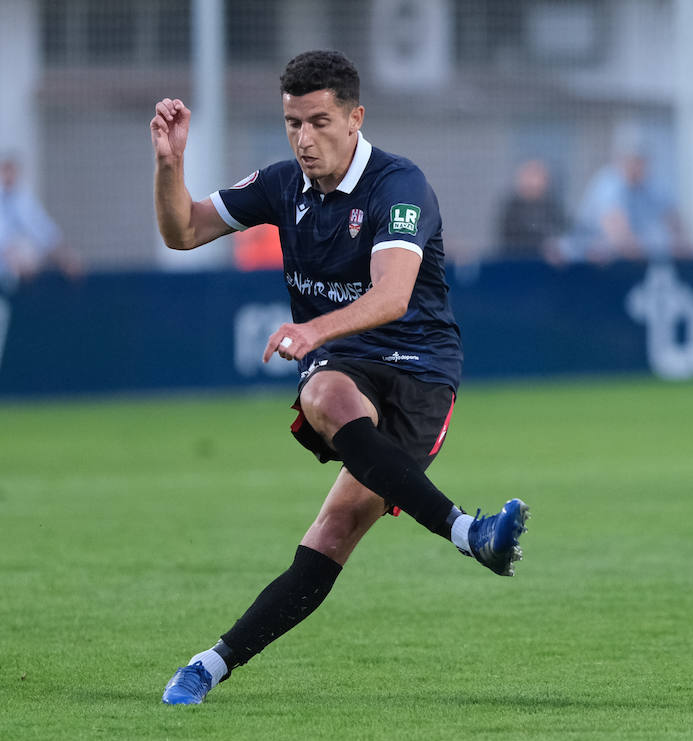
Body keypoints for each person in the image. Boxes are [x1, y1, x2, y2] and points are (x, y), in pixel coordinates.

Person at [150, 50, 529, 706]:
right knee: (322, 391)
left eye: (319, 122)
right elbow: (182, 231)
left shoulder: (399, 186)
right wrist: (170, 165)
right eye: (293, 123)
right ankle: (469, 534)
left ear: (355, 119)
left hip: (420, 368)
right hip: (345, 364)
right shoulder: (281, 185)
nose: (304, 138)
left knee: (334, 531)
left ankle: (214, 660)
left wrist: (313, 331)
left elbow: (393, 296)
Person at [573, 134, 687, 262]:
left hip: (632, 257)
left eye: (641, 161)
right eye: (633, 161)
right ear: (621, 161)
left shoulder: (652, 184)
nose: (637, 166)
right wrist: (648, 251)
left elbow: (675, 222)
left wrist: (680, 244)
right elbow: (619, 235)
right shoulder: (609, 183)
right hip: (589, 258)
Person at [0, 154, 83, 292]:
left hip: (19, 268)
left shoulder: (23, 199)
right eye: (5, 172)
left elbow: (41, 229)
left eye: (12, 172)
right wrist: (10, 254)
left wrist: (65, 255)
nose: (9, 177)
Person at [495, 158, 569, 264]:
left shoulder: (552, 206)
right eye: (529, 176)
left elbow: (562, 230)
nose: (532, 182)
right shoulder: (512, 207)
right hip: (518, 263)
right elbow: (510, 238)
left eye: (536, 176)